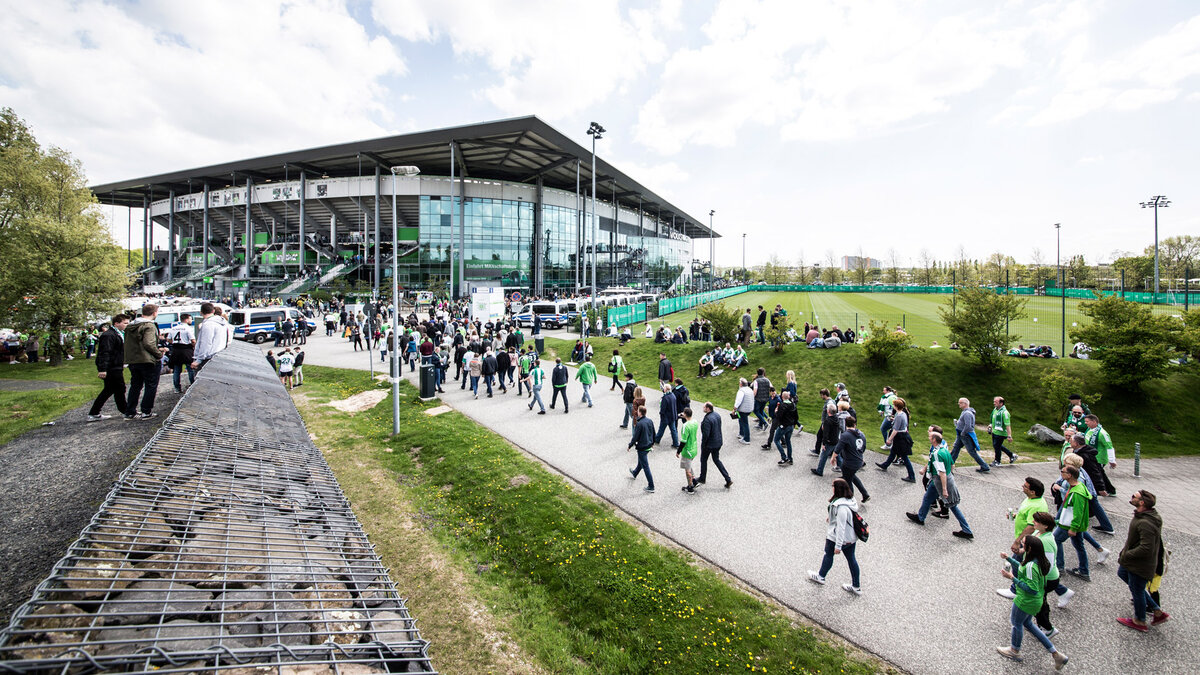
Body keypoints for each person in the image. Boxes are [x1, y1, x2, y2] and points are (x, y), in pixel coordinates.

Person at [995, 535, 1068, 670]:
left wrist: (1012, 578)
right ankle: (1056, 654)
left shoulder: (1031, 566)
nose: (1021, 546)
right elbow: (1023, 567)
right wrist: (1008, 558)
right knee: (1028, 624)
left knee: (1016, 623)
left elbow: (1031, 589)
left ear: (1029, 548)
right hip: (1036, 601)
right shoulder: (1037, 561)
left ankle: (1014, 650)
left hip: (1025, 601)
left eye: (1023, 544)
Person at [906, 427, 973, 539]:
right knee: (927, 497)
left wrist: (945, 489)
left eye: (930, 436)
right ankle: (921, 517)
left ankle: (967, 530)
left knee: (953, 506)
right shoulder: (944, 450)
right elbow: (952, 465)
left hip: (941, 482)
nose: (928, 437)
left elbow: (941, 472)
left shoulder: (937, 453)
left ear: (934, 440)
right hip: (940, 481)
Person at [1116, 490, 1169, 632]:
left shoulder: (1146, 522)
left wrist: (1127, 555)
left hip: (1138, 564)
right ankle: (1157, 611)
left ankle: (1139, 620)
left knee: (1137, 590)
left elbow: (1146, 548)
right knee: (1123, 574)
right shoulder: (1145, 516)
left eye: (1134, 496)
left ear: (1142, 503)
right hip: (1132, 562)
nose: (1131, 497)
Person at [807, 478, 862, 595]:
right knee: (852, 560)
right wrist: (831, 517)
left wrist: (838, 545)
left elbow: (841, 528)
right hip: (851, 538)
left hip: (837, 538)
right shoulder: (849, 500)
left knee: (828, 554)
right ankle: (856, 586)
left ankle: (821, 576)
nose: (831, 487)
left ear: (837, 489)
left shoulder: (841, 508)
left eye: (832, 485)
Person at [124, 304, 168, 420]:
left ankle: (130, 411)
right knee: (151, 386)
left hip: (134, 360)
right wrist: (159, 354)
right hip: (147, 360)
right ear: (154, 313)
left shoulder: (130, 326)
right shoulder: (149, 326)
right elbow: (148, 343)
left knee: (135, 386)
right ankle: (146, 411)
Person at [87, 314, 130, 421]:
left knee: (110, 389)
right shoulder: (109, 335)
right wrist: (102, 369)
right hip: (112, 367)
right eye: (125, 323)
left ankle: (94, 412)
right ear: (116, 323)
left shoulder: (118, 334)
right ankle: (126, 410)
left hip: (116, 365)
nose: (127, 325)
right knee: (119, 388)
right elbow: (104, 353)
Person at [1054, 465, 1092, 582]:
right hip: (1071, 523)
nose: (1061, 473)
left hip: (1069, 524)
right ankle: (1083, 571)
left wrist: (1074, 528)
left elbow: (1078, 512)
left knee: (1056, 540)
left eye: (1063, 472)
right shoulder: (1075, 487)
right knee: (1079, 546)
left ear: (1069, 475)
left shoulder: (1077, 493)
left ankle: (1059, 567)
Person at [830, 417, 870, 502]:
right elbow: (863, 448)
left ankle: (851, 499)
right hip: (858, 461)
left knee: (848, 480)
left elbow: (838, 449)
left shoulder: (845, 435)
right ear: (855, 424)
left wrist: (833, 458)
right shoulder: (861, 434)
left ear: (845, 424)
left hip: (849, 463)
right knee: (852, 476)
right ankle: (865, 494)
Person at [876, 398, 916, 482]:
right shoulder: (902, 413)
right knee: (893, 452)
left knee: (904, 457)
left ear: (896, 406)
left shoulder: (900, 415)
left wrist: (889, 439)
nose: (893, 406)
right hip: (902, 436)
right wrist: (894, 420)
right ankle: (885, 465)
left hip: (900, 437)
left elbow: (896, 430)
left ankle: (912, 476)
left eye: (894, 405)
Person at [698, 402, 732, 488]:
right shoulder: (717, 415)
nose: (703, 408)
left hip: (709, 444)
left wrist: (703, 444)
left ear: (708, 408)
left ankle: (702, 478)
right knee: (716, 460)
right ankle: (727, 478)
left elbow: (706, 434)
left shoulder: (707, 420)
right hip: (718, 442)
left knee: (703, 459)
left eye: (704, 407)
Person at [952, 397, 990, 472]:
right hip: (962, 435)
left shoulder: (967, 413)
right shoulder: (965, 412)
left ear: (965, 404)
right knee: (955, 448)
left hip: (965, 435)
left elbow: (968, 426)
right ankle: (949, 463)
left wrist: (962, 433)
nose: (958, 404)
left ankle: (984, 466)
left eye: (960, 403)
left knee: (971, 451)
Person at [1083, 415, 1117, 495]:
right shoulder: (1089, 429)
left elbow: (1109, 447)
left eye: (1087, 421)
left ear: (1094, 422)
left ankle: (1108, 490)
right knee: (1099, 474)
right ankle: (1106, 489)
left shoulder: (1102, 434)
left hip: (1099, 458)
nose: (1085, 423)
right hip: (1091, 457)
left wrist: (1112, 460)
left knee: (1098, 474)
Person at [191, 302, 229, 372]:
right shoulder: (222, 323)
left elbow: (206, 343)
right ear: (213, 311)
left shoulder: (208, 324)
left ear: (201, 312)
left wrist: (199, 360)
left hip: (207, 358)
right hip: (218, 355)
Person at [627, 405, 656, 493]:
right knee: (642, 461)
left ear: (640, 412)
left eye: (638, 411)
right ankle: (635, 472)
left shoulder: (639, 424)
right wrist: (652, 443)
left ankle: (651, 486)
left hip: (642, 447)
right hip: (648, 445)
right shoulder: (649, 421)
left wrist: (630, 445)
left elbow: (635, 437)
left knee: (645, 466)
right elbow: (654, 433)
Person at [165, 313, 196, 393]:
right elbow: (193, 340)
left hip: (176, 350)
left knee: (177, 370)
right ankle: (192, 385)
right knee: (190, 369)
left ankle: (177, 388)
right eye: (190, 319)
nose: (191, 320)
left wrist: (174, 343)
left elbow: (168, 339)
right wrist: (194, 347)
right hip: (186, 349)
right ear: (186, 319)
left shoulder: (174, 328)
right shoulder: (188, 328)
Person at [812, 402, 841, 476]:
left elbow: (826, 433)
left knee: (823, 456)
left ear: (828, 411)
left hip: (829, 441)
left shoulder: (827, 421)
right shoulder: (836, 419)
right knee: (838, 455)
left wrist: (824, 443)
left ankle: (819, 470)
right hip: (836, 440)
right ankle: (842, 468)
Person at [989, 396, 1019, 465]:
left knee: (997, 446)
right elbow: (993, 419)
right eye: (994, 402)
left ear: (1001, 403)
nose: (994, 403)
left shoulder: (1005, 413)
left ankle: (997, 461)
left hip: (1001, 433)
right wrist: (990, 425)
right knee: (997, 446)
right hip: (995, 431)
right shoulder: (995, 410)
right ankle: (1011, 455)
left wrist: (1009, 435)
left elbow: (1007, 425)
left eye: (996, 402)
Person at [677, 407, 700, 494]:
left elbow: (683, 441)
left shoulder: (685, 426)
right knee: (689, 465)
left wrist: (678, 451)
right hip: (694, 448)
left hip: (687, 450)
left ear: (685, 414)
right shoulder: (695, 422)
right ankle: (694, 481)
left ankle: (690, 487)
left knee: (687, 470)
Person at [773, 391, 799, 466]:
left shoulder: (782, 406)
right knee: (788, 441)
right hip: (791, 425)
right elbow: (796, 416)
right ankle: (790, 458)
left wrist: (776, 412)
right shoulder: (793, 405)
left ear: (782, 397)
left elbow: (779, 416)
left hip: (784, 426)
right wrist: (794, 424)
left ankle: (784, 457)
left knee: (776, 440)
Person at [655, 383, 679, 447]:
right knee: (673, 430)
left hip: (666, 417)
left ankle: (657, 440)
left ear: (666, 389)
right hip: (672, 416)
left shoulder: (665, 398)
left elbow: (663, 409)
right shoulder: (673, 395)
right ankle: (676, 443)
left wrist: (661, 414)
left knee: (661, 429)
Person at [733, 378, 754, 444]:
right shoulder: (750, 389)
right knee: (740, 420)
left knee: (744, 423)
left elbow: (738, 401)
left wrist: (734, 409)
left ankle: (746, 439)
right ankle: (741, 433)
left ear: (741, 384)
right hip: (749, 409)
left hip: (743, 410)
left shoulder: (741, 391)